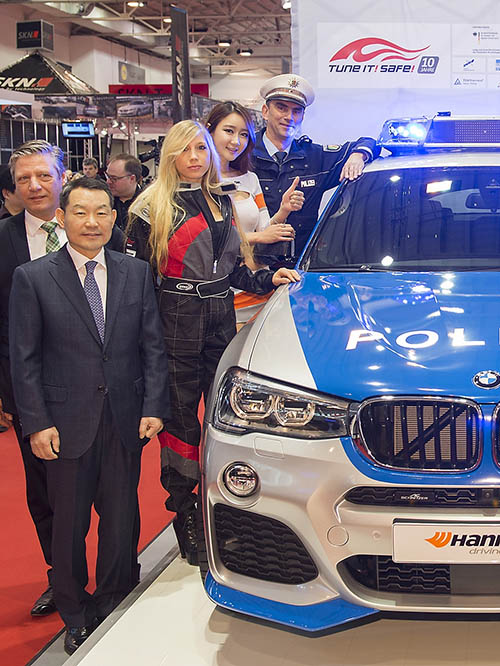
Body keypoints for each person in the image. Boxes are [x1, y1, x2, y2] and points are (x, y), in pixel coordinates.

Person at [126, 120, 300, 565]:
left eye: (201, 149)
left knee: (226, 418)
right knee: (181, 422)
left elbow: (236, 268)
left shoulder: (223, 200)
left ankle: (228, 510)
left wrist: (267, 278)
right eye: (185, 149)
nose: (194, 157)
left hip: (221, 318)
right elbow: (135, 283)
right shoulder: (149, 207)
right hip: (174, 321)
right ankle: (185, 513)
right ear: (170, 155)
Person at [9, 177, 169, 655]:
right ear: (62, 218)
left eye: (101, 212)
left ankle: (114, 601)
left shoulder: (134, 272)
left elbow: (152, 345)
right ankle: (75, 611)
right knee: (69, 526)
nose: (92, 222)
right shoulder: (33, 277)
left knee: (121, 522)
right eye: (80, 212)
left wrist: (153, 406)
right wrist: (36, 423)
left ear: (114, 218)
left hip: (124, 418)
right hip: (63, 424)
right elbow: (24, 359)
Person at [0, 140, 125, 619]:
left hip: (101, 396)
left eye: (43, 176)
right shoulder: (3, 240)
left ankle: (113, 582)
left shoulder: (103, 233)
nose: (34, 185)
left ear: (61, 177)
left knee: (111, 499)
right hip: (29, 393)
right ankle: (62, 578)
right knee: (46, 495)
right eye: (24, 178)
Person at [250, 74, 377, 265]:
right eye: (281, 108)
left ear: (302, 116)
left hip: (302, 268)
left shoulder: (315, 157)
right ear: (265, 111)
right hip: (253, 267)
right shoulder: (244, 157)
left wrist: (358, 155)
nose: (289, 117)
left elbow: (369, 142)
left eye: (296, 111)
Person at [204, 100, 300, 246]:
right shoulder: (197, 180)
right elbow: (205, 238)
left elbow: (264, 229)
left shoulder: (250, 179)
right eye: (229, 131)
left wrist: (284, 209)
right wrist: (257, 237)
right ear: (210, 131)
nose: (236, 141)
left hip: (250, 261)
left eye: (243, 134)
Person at [105, 154, 143, 231]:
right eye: (107, 176)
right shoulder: (104, 201)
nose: (108, 181)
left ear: (132, 179)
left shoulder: (147, 204)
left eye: (114, 178)